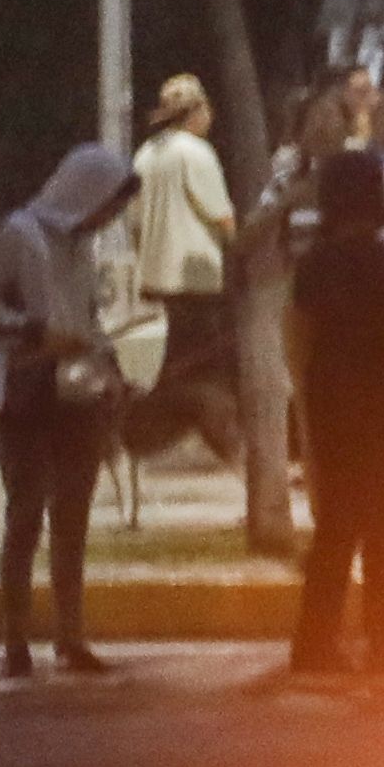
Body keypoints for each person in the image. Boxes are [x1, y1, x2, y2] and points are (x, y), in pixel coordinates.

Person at [0, 141, 136, 676]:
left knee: (73, 517)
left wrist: (109, 366)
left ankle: (70, 636)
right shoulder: (17, 232)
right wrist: (34, 333)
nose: (109, 215)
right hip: (30, 386)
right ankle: (16, 640)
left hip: (77, 391)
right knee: (25, 515)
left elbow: (87, 318)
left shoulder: (81, 245)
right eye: (107, 202)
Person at [285, 146, 384, 675]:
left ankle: (314, 645)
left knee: (335, 532)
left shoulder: (313, 265)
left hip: (333, 410)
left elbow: (297, 346)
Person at [120, 74, 246, 476]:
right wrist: (239, 249)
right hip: (198, 277)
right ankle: (208, 441)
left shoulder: (144, 155)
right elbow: (222, 217)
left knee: (175, 364)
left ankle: (165, 439)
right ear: (196, 111)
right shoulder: (196, 154)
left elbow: (133, 220)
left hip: (158, 276)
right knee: (205, 367)